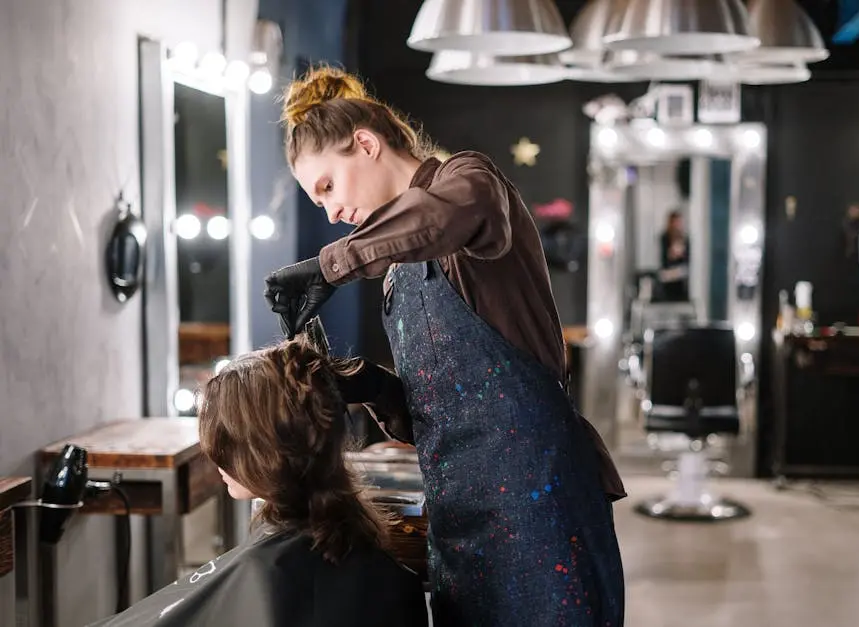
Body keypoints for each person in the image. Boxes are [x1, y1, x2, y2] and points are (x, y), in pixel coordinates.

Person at [263, 66, 626, 626]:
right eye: (319, 204)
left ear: (365, 143)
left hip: (539, 508)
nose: (331, 214)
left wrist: (332, 266)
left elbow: (445, 218)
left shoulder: (470, 184)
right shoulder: (395, 273)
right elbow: (440, 415)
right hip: (459, 520)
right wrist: (367, 385)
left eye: (328, 187)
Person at [87, 327, 427, 627]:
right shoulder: (378, 564)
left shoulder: (267, 572)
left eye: (225, 445)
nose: (213, 457)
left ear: (261, 453)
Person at [658, 210, 690, 302]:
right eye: (675, 222)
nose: (677, 225)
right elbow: (664, 260)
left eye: (679, 222)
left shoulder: (685, 239)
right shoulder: (664, 238)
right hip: (667, 281)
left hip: (681, 282)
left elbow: (686, 262)